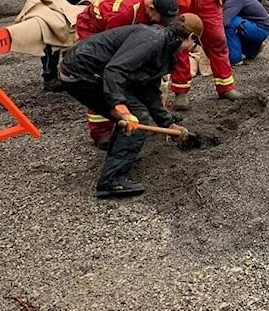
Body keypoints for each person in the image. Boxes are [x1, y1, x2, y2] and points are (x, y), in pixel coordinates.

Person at [58, 14, 202, 198]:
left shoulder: (162, 46)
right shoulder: (152, 40)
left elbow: (149, 90)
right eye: (194, 44)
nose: (190, 49)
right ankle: (111, 180)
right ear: (190, 38)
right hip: (82, 73)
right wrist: (121, 108)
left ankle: (115, 161)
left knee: (135, 114)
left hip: (89, 72)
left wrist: (168, 124)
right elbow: (114, 70)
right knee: (137, 116)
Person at [75, 0, 180, 148]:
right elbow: (117, 55)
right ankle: (100, 131)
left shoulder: (154, 6)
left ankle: (143, 113)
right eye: (161, 19)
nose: (163, 23)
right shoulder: (124, 13)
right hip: (94, 30)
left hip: (122, 29)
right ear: (151, 9)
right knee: (103, 79)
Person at [220, 0, 269, 65]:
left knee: (231, 23)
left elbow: (224, 21)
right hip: (257, 26)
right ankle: (252, 50)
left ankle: (235, 59)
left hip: (260, 29)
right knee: (234, 23)